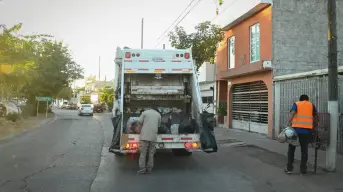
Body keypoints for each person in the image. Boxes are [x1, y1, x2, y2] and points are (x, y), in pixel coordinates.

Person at [285, 94, 318, 175]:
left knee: (291, 149)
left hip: (295, 131)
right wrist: (315, 125)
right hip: (306, 132)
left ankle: (289, 169)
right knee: (304, 151)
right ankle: (303, 170)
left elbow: (292, 113)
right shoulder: (311, 105)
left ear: (300, 99)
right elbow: (315, 116)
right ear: (307, 99)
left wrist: (288, 123)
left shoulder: (297, 104)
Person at [136, 107, 161, 174]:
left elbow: (139, 122)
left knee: (143, 154)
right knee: (151, 154)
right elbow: (159, 126)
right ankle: (149, 169)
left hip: (144, 136)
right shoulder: (158, 114)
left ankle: (142, 169)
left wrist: (138, 130)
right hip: (153, 137)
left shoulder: (145, 113)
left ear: (149, 109)